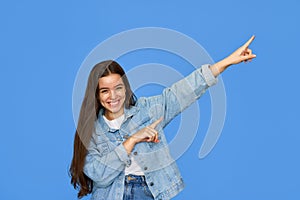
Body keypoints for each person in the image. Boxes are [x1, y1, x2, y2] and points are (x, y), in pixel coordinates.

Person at [69, 36, 256, 200]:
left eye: (118, 88)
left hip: (148, 192)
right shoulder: (91, 130)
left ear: (125, 87)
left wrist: (227, 62)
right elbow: (98, 174)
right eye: (105, 91)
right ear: (97, 95)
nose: (113, 96)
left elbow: (184, 91)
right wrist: (132, 140)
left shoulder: (148, 111)